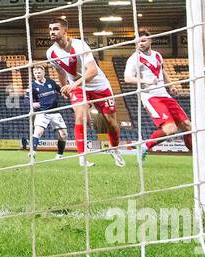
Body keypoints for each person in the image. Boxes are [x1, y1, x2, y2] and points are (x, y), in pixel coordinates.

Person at [45, 17, 124, 167]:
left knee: (111, 123)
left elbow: (93, 71)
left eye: (55, 29)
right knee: (80, 116)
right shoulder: (50, 53)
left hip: (99, 86)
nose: (52, 32)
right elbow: (61, 72)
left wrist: (73, 85)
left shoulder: (80, 45)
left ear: (65, 31)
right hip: (79, 88)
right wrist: (65, 88)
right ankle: (82, 157)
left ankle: (114, 149)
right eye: (50, 29)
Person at [124, 31, 192, 160]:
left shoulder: (157, 55)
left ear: (150, 41)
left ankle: (197, 156)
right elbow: (127, 78)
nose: (140, 44)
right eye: (137, 41)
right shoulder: (134, 59)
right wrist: (146, 81)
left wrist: (171, 85)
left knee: (188, 126)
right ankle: (144, 146)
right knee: (171, 128)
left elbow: (162, 71)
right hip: (150, 96)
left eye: (143, 41)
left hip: (164, 95)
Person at [29, 65, 67, 159]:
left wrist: (65, 93)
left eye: (39, 73)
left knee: (63, 134)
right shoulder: (32, 86)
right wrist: (32, 104)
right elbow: (26, 100)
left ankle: (59, 155)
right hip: (42, 113)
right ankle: (32, 152)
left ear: (43, 73)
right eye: (35, 73)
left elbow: (60, 90)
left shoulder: (51, 82)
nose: (37, 75)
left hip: (55, 111)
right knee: (38, 132)